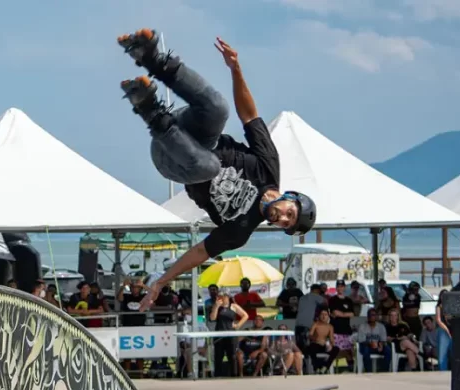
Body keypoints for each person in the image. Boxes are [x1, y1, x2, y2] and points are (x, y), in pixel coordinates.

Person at [117, 29, 317, 311]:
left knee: (209, 166)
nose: (281, 218)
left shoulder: (239, 232)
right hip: (189, 129)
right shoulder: (268, 166)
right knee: (219, 108)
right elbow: (249, 115)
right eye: (289, 213)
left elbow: (199, 252)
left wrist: (161, 282)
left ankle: (150, 110)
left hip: (172, 159)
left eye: (285, 224)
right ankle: (151, 57)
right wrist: (236, 69)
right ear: (290, 197)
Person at [209, 293, 248, 377]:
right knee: (218, 356)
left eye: (223, 297)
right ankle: (218, 375)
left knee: (232, 356)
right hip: (219, 333)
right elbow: (212, 318)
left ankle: (234, 374)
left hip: (231, 334)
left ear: (227, 297)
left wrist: (238, 325)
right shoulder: (217, 307)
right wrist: (216, 306)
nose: (221, 299)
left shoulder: (233, 306)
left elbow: (245, 315)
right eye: (219, 297)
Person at [307, 309, 340, 374]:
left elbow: (331, 339)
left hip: (325, 346)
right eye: (322, 314)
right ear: (319, 316)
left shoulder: (330, 326)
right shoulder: (315, 324)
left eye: (325, 314)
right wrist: (316, 339)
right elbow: (310, 335)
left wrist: (331, 345)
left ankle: (325, 367)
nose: (323, 316)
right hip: (316, 344)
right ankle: (316, 368)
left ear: (328, 316)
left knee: (336, 349)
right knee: (312, 347)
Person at [357, 308, 390, 372]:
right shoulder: (362, 326)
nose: (372, 317)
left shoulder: (381, 326)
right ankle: (368, 371)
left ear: (376, 316)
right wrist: (370, 343)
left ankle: (384, 371)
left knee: (388, 350)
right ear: (368, 316)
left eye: (374, 315)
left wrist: (380, 344)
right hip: (366, 346)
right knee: (366, 350)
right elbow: (361, 340)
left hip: (378, 346)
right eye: (370, 315)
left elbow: (383, 339)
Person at [435, 290, 453, 371]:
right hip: (443, 330)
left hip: (453, 330)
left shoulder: (452, 306)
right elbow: (438, 320)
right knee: (442, 353)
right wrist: (446, 330)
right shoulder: (439, 306)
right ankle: (443, 370)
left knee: (453, 352)